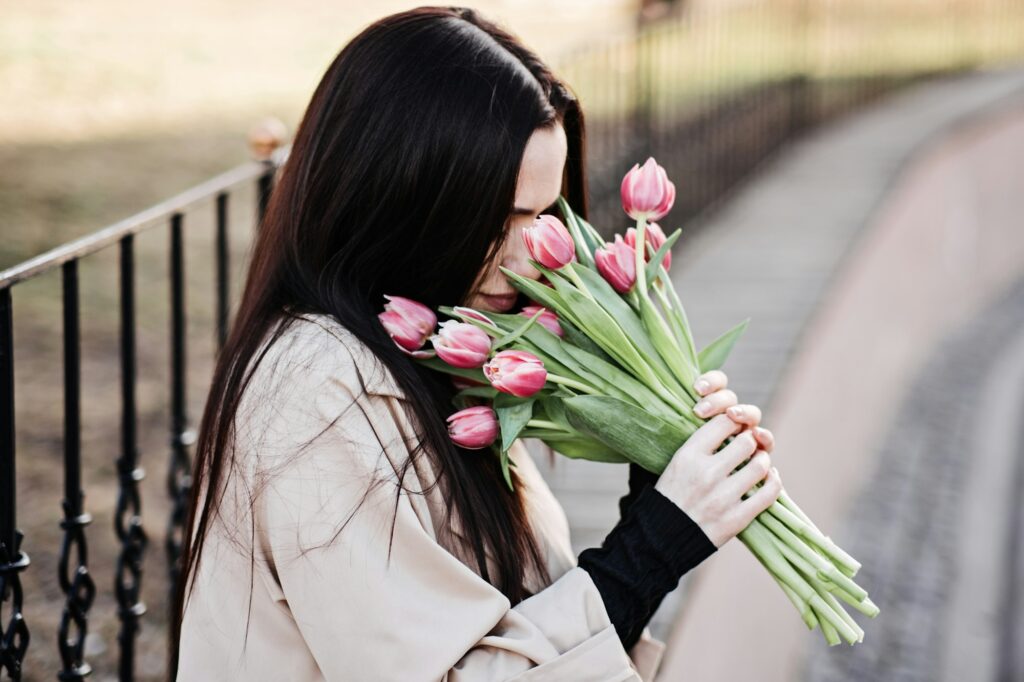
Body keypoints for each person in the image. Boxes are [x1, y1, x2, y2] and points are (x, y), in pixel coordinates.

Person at [169, 6, 781, 680]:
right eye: (501, 217)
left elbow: (505, 629)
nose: (532, 260)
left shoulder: (426, 350)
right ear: (404, 195)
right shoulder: (317, 393)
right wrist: (652, 546)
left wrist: (658, 480)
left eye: (545, 214)